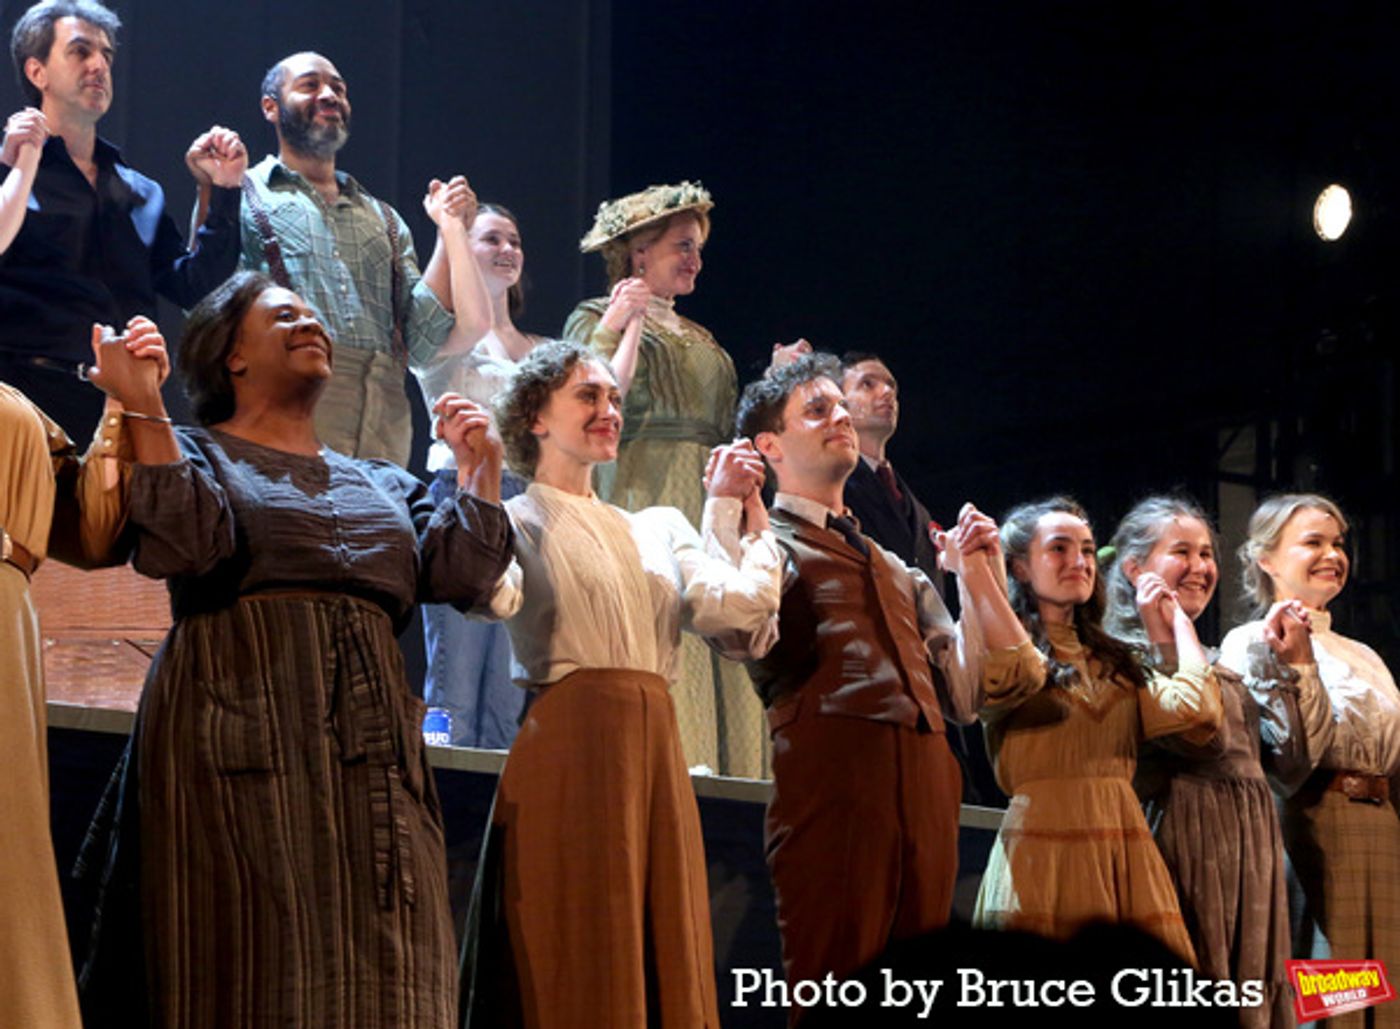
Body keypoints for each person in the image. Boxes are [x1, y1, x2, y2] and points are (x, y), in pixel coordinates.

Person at [85, 270, 513, 1027]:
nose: (309, 323)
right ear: (232, 357)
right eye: (284, 316)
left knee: (396, 974)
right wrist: (145, 406)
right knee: (255, 969)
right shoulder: (197, 451)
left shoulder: (380, 481)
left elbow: (462, 571)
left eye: (313, 314)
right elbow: (180, 537)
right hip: (240, 747)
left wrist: (480, 473)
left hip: (374, 767)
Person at [461, 340, 781, 1028]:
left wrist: (736, 518)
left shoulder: (657, 525)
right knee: (579, 943)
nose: (609, 410)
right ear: (535, 417)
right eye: (588, 396)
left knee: (658, 937)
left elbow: (737, 610)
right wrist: (478, 485)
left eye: (613, 398)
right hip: (570, 745)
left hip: (655, 749)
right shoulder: (519, 518)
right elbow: (489, 596)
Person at [732, 354, 1010, 1016]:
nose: (841, 417)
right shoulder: (763, 545)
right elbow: (731, 626)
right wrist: (734, 510)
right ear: (769, 445)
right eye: (816, 409)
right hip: (836, 778)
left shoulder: (897, 567)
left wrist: (978, 578)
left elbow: (967, 698)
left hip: (926, 780)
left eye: (840, 405)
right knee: (836, 983)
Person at [564, 180, 766, 778]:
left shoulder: (703, 340)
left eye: (698, 248)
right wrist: (621, 322)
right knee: (663, 620)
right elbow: (599, 398)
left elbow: (732, 426)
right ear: (638, 253)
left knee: (720, 622)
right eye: (682, 245)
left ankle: (729, 779)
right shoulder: (593, 319)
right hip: (642, 490)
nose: (695, 259)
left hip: (709, 497)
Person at [1104, 496, 1331, 1027]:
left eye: (1207, 553)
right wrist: (1165, 633)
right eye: (1181, 551)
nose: (1202, 567)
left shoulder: (1213, 661)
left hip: (1251, 850)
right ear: (1135, 569)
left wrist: (1293, 669)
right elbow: (1195, 738)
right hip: (1187, 839)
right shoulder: (1123, 655)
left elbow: (1289, 767)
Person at [972, 496, 1222, 962]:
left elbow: (1198, 712)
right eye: (1060, 549)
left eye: (1087, 550)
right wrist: (979, 574)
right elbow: (1017, 672)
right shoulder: (1002, 650)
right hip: (1041, 848)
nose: (1080, 562)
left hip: (1120, 844)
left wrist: (1177, 627)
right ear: (1021, 568)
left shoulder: (1115, 660)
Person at [0, 0, 245, 441]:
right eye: (80, 51)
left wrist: (222, 190)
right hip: (24, 400)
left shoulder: (140, 190)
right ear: (37, 73)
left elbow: (195, 286)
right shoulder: (9, 172)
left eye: (107, 54)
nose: (99, 65)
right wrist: (17, 165)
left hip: (123, 407)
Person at [242, 50, 478, 465]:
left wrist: (448, 228)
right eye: (310, 85)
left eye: (338, 88)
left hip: (383, 428)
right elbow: (209, 311)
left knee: (380, 530)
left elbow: (421, 346)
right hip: (286, 409)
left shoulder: (383, 217)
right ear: (271, 107)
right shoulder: (245, 196)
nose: (329, 95)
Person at [1221, 494, 1399, 1028]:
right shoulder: (1252, 642)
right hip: (1317, 829)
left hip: (1383, 834)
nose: (1332, 554)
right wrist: (1298, 667)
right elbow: (1294, 763)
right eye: (1313, 542)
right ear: (1267, 559)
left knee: (1382, 999)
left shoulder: (1363, 654)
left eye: (1338, 543)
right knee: (1334, 994)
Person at [412, 203, 540, 748]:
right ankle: (442, 812)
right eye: (491, 240)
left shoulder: (539, 350)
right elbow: (478, 322)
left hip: (525, 506)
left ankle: (495, 827)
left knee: (507, 696)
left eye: (513, 240)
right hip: (462, 495)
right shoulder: (442, 339)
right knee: (455, 687)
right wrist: (452, 230)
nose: (507, 249)